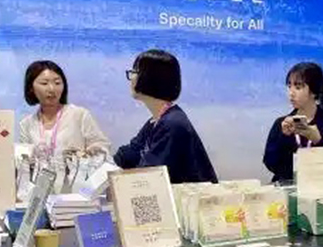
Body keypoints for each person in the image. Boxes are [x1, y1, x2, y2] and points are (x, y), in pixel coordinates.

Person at [114, 49, 218, 184]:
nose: (131, 77)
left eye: (135, 72)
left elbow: (149, 177)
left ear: (151, 78)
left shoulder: (172, 125)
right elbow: (129, 154)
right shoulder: (157, 120)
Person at [263, 62, 323, 182]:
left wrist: (319, 140)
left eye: (298, 87)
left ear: (314, 92)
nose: (291, 93)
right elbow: (270, 163)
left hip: (321, 187)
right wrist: (284, 136)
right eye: (289, 86)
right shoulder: (281, 124)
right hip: (287, 187)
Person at [19, 60, 110, 158]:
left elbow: (101, 145)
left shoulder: (79, 115)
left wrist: (87, 154)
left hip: (78, 168)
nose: (52, 89)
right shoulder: (26, 124)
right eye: (44, 83)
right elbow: (24, 159)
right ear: (31, 88)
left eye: (57, 83)